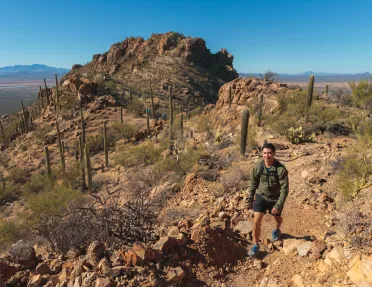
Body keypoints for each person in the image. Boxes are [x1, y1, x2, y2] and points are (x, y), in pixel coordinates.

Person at [246, 143, 289, 257]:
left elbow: (284, 189)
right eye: (264, 153)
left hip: (275, 198)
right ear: (262, 154)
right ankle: (255, 244)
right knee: (256, 220)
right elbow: (253, 183)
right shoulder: (258, 167)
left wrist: (278, 205)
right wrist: (250, 198)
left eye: (269, 153)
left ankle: (276, 230)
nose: (267, 155)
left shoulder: (281, 169)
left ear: (274, 154)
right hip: (261, 196)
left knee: (277, 219)